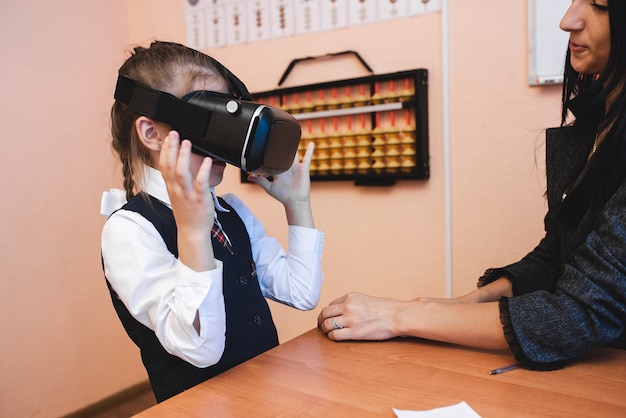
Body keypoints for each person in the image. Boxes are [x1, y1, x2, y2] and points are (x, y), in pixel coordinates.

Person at [318, 0, 626, 371]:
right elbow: (555, 255)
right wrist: (458, 304)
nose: (567, 21)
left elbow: (576, 312)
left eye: (601, 6)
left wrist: (399, 316)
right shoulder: (595, 131)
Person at [100, 41, 324, 402]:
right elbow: (201, 350)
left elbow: (301, 292)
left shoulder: (232, 211)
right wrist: (192, 232)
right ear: (151, 133)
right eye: (210, 119)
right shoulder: (129, 230)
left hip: (266, 398)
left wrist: (297, 204)